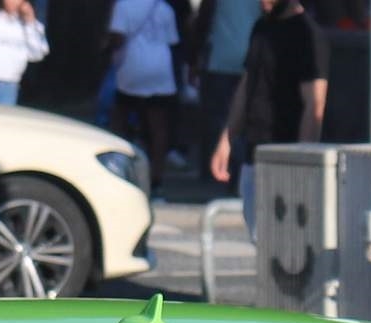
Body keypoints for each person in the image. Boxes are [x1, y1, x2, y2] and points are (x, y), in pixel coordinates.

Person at [207, 0, 329, 231]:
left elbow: (314, 104)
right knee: (258, 239)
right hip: (254, 152)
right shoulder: (261, 28)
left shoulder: (308, 35)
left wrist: (301, 162)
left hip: (285, 155)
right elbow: (246, 87)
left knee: (285, 243)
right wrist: (226, 141)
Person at [189, 0, 265, 181]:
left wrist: (193, 56)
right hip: (249, 57)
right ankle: (238, 167)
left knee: (218, 118)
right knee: (244, 117)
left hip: (220, 59)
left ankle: (219, 168)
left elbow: (203, 20)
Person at [108, 0, 183, 175]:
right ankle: (157, 178)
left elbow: (118, 38)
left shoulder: (123, 5)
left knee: (120, 120)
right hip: (161, 71)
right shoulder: (165, 8)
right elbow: (172, 41)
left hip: (131, 68)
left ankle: (116, 167)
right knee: (158, 127)